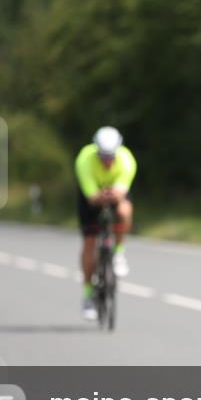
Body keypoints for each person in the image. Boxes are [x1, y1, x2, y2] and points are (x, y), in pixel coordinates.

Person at [75, 126, 137, 320]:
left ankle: (118, 253)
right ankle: (87, 294)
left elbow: (121, 192)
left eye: (111, 156)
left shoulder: (127, 160)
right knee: (90, 243)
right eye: (103, 156)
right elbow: (92, 197)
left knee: (124, 210)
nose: (108, 160)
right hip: (91, 197)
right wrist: (100, 196)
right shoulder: (84, 160)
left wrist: (113, 195)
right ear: (96, 151)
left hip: (114, 194)